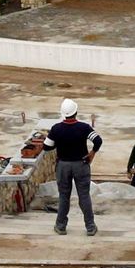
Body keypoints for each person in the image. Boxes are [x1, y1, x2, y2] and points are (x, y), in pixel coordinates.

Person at [46, 98, 102, 236]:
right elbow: (98, 140)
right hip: (81, 165)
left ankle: (61, 226)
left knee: (64, 196)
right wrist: (92, 153)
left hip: (63, 166)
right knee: (84, 196)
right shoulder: (83, 127)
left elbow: (47, 147)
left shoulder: (56, 128)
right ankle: (90, 227)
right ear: (76, 112)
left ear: (63, 113)